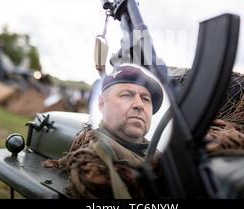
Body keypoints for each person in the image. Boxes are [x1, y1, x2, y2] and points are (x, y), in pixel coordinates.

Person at [43, 64, 164, 198]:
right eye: (127, 95)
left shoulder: (162, 159)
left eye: (146, 99)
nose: (139, 105)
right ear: (101, 104)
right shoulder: (95, 164)